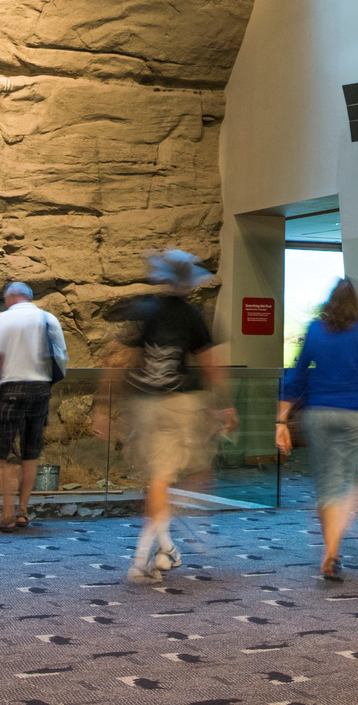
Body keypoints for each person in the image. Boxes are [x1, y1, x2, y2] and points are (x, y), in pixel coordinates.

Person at [93, 250, 237, 584]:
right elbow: (211, 365)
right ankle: (143, 559)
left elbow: (115, 359)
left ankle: (166, 545)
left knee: (160, 479)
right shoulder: (193, 316)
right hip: (179, 405)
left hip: (144, 406)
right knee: (182, 475)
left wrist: (103, 407)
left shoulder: (146, 311)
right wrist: (225, 404)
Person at [275, 276, 358, 581]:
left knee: (326, 484)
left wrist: (281, 420)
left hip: (318, 415)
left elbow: (296, 378)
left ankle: (331, 551)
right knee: (345, 481)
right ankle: (337, 539)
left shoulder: (315, 331)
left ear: (330, 302)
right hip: (354, 415)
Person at [0, 280, 68, 532]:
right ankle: (23, 512)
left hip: (11, 389)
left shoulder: (3, 319)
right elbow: (61, 357)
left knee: (7, 454)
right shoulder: (48, 318)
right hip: (40, 389)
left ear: (10, 298)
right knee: (30, 452)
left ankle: (6, 513)